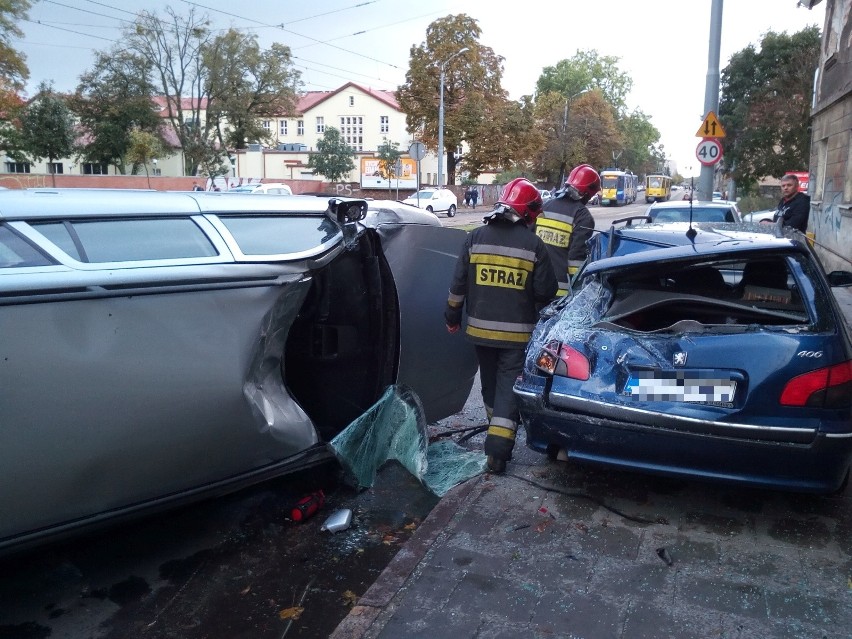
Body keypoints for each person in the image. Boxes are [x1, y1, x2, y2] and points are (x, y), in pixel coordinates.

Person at [444, 178, 557, 474]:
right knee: (508, 389)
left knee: (491, 385)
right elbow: (546, 292)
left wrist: (452, 318)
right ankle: (497, 452)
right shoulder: (534, 245)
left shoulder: (474, 238)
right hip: (517, 336)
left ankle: (496, 432)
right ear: (527, 212)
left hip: (480, 333)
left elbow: (457, 287)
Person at [534, 164, 601, 297]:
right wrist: (579, 290)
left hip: (536, 287)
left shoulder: (545, 207)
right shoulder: (582, 216)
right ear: (588, 193)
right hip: (561, 292)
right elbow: (576, 258)